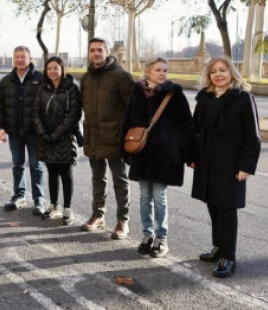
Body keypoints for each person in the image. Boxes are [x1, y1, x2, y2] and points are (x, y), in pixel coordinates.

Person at [188, 56, 260, 278]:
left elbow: (252, 136)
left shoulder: (243, 98)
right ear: (208, 76)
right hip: (207, 162)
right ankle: (219, 247)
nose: (218, 74)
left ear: (232, 73)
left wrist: (246, 166)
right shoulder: (205, 98)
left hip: (231, 165)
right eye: (213, 71)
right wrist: (191, 155)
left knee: (227, 210)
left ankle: (229, 257)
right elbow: (195, 129)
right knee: (213, 206)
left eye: (222, 70)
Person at [121, 57, 194, 258]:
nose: (162, 73)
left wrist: (184, 154)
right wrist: (124, 149)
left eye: (165, 70)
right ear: (147, 72)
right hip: (142, 153)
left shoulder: (174, 94)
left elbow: (187, 126)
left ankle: (162, 238)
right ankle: (147, 235)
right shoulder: (137, 92)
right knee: (144, 196)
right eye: (158, 70)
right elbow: (127, 120)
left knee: (159, 197)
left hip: (164, 155)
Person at [80, 37, 134, 239]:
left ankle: (123, 220)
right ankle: (98, 214)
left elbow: (132, 108)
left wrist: (125, 134)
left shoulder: (121, 76)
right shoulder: (86, 78)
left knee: (120, 180)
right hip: (93, 136)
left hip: (115, 137)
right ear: (89, 53)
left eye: (100, 50)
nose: (96, 53)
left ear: (107, 51)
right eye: (92, 50)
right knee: (97, 178)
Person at [0, 46, 46, 215]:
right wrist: (0, 128)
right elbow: (0, 107)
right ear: (13, 59)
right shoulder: (6, 81)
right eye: (16, 56)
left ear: (30, 59)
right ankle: (19, 195)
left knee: (36, 165)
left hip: (34, 132)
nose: (19, 59)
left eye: (23, 57)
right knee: (17, 164)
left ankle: (39, 200)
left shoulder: (41, 78)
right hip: (14, 131)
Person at [32, 56, 82, 225]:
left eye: (56, 68)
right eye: (49, 68)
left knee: (66, 174)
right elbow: (35, 112)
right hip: (45, 138)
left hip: (65, 138)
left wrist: (56, 134)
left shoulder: (71, 88)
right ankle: (54, 206)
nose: (52, 71)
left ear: (62, 69)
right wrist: (43, 133)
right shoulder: (42, 88)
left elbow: (73, 115)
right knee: (52, 173)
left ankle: (68, 208)